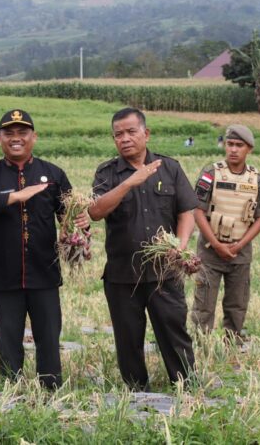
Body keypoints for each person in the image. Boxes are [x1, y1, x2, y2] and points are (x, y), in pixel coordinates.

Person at [0, 109, 89, 389]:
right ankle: (11, 390)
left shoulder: (53, 175)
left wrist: (80, 225)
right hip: (3, 273)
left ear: (34, 137)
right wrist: (15, 196)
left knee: (48, 335)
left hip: (44, 270)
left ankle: (51, 388)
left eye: (23, 133)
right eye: (9, 133)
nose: (16, 138)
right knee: (8, 338)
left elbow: (68, 215)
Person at [88, 107, 197, 391]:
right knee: (128, 338)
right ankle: (137, 392)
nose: (124, 139)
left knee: (174, 332)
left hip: (165, 272)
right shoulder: (107, 172)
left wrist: (181, 247)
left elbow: (187, 211)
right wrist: (128, 183)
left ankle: (186, 386)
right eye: (118, 135)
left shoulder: (169, 168)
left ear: (146, 134)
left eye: (131, 132)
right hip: (123, 275)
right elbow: (96, 211)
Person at [191, 125, 260, 339]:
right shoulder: (210, 174)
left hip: (240, 252)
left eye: (239, 145)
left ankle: (232, 344)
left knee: (237, 304)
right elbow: (198, 212)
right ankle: (201, 345)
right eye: (230, 144)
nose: (233, 149)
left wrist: (239, 245)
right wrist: (216, 244)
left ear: (249, 149)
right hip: (210, 251)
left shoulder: (258, 180)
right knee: (204, 304)